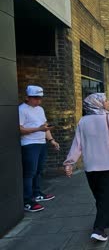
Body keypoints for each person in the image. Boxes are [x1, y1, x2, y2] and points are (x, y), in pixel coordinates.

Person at [64, 93, 109, 242]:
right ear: (98, 103)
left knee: (100, 197)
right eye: (105, 100)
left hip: (90, 166)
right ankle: (99, 229)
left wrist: (70, 162)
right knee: (108, 197)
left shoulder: (83, 121)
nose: (108, 102)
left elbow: (77, 145)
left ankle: (103, 223)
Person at [19, 85, 60, 213]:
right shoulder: (21, 109)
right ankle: (27, 201)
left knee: (38, 170)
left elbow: (44, 126)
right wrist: (39, 129)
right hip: (29, 144)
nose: (38, 101)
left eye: (40, 98)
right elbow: (20, 129)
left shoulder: (40, 109)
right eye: (36, 98)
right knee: (29, 173)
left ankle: (37, 193)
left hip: (41, 143)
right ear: (28, 97)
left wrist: (51, 140)